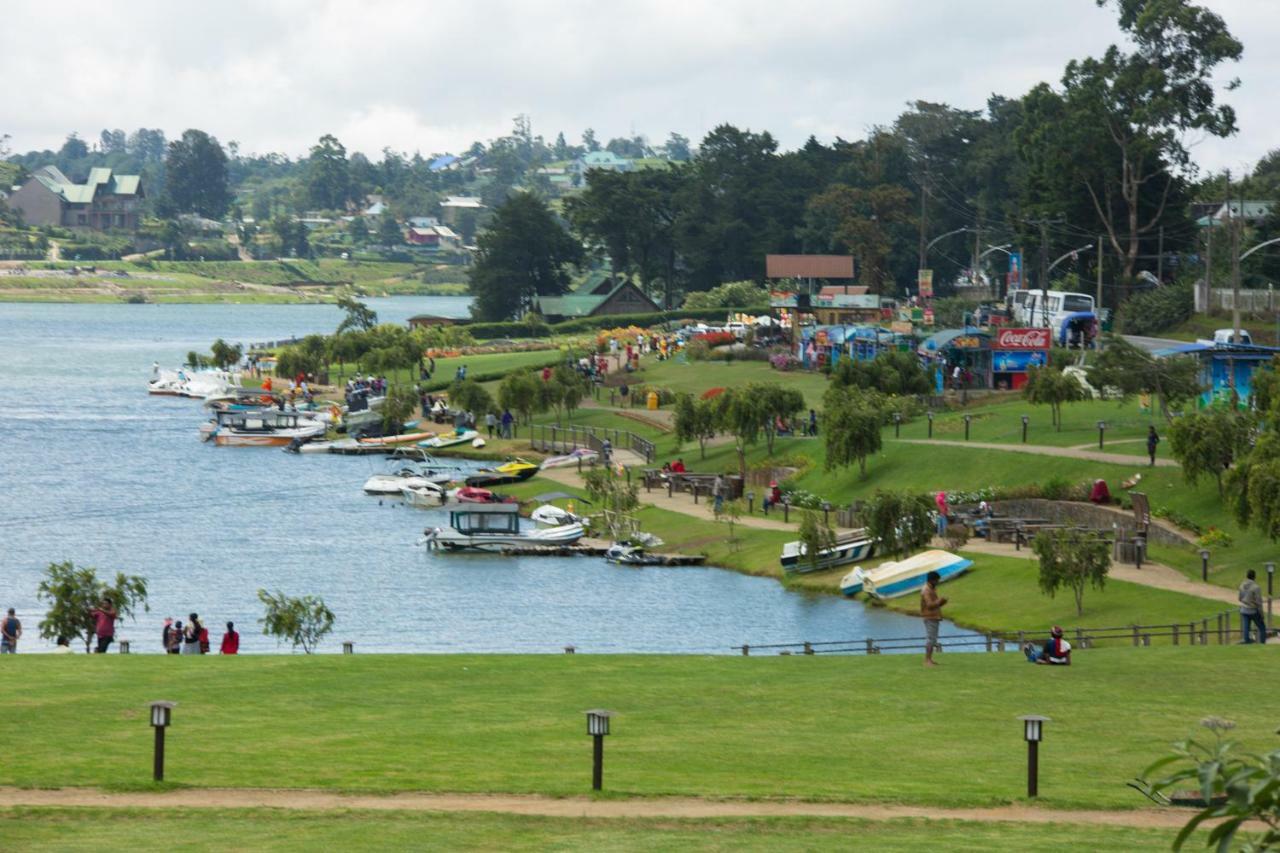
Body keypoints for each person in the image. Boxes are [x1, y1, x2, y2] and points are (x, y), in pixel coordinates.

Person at [920, 571, 947, 667]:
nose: (938, 582)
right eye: (937, 580)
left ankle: (929, 659)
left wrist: (941, 603)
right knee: (931, 639)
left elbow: (934, 604)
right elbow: (929, 605)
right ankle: (927, 660)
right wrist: (940, 601)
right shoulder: (926, 590)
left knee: (933, 639)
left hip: (933, 617)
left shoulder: (931, 588)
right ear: (932, 580)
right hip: (930, 617)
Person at [1239, 569, 1267, 644]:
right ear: (1254, 577)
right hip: (1253, 610)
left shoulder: (1242, 585)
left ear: (1246, 576)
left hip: (1243, 609)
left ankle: (1246, 641)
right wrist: (1261, 614)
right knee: (1262, 627)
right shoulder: (1256, 587)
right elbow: (1259, 602)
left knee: (1246, 627)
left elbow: (1240, 598)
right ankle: (1262, 643)